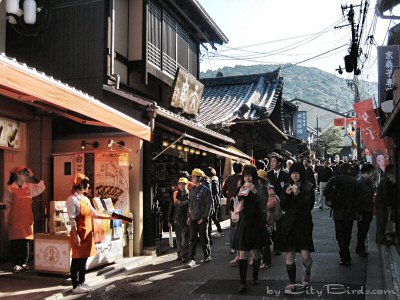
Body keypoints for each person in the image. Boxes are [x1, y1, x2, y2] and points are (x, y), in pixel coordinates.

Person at [66, 173, 115, 294]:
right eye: (86, 184)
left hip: (87, 233)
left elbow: (94, 213)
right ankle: (75, 285)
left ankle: (82, 282)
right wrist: (75, 234)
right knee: (76, 260)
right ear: (80, 185)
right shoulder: (72, 199)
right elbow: (72, 219)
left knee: (84, 260)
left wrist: (109, 216)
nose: (88, 186)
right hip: (79, 233)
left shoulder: (85, 199)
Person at [279, 162, 315, 294]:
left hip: (304, 225)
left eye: (297, 172)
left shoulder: (309, 187)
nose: (294, 175)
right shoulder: (287, 187)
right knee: (290, 254)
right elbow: (283, 206)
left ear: (302, 174)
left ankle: (307, 272)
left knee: (306, 257)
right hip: (289, 225)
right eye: (292, 172)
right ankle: (292, 283)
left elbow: (309, 206)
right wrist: (287, 195)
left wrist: (298, 194)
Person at [3, 166, 45, 272]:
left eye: (27, 174)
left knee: (26, 242)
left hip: (27, 218)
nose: (25, 176)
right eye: (23, 173)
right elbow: (6, 203)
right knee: (16, 242)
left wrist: (33, 176)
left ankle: (24, 263)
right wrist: (8, 218)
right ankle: (16, 264)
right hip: (15, 218)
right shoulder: (10, 188)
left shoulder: (29, 187)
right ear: (17, 174)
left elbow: (41, 187)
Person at [233, 165, 264, 294]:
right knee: (243, 254)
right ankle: (242, 282)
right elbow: (235, 203)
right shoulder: (241, 187)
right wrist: (238, 195)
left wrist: (255, 191)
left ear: (254, 176)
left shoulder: (259, 187)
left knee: (256, 253)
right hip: (244, 222)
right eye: (245, 175)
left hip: (256, 223)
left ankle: (255, 276)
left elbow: (263, 203)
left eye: (250, 175)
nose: (247, 177)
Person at [324, 163, 360, 266]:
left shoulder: (334, 179)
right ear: (348, 170)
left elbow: (326, 192)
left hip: (338, 211)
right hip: (350, 211)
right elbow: (359, 197)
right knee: (347, 234)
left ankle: (345, 256)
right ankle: (346, 254)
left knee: (340, 235)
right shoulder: (354, 181)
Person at [187, 169, 213, 268]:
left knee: (203, 237)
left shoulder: (206, 190)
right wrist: (188, 216)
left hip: (202, 218)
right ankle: (191, 258)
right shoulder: (191, 190)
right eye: (192, 176)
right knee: (192, 238)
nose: (192, 178)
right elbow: (190, 205)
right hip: (193, 217)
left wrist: (204, 217)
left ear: (199, 178)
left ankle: (207, 255)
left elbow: (209, 205)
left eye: (194, 177)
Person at [258, 169, 281, 269]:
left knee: (266, 235)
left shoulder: (267, 188)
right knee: (268, 233)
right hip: (263, 215)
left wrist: (263, 207)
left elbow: (271, 202)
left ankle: (267, 260)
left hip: (267, 215)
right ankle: (275, 248)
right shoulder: (260, 187)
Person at [267, 153, 289, 256]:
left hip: (281, 203)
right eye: (271, 162)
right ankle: (275, 242)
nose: (272, 163)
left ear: (279, 163)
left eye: (274, 161)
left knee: (279, 225)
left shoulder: (285, 175)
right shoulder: (268, 174)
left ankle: (277, 247)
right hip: (270, 203)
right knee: (270, 224)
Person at [222, 161, 243, 257]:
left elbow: (223, 191)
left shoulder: (229, 179)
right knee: (242, 226)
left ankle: (232, 247)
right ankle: (241, 246)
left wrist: (229, 195)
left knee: (233, 227)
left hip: (232, 205)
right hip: (242, 205)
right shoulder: (244, 178)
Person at [168, 177, 190, 263]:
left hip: (186, 220)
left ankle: (185, 255)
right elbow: (171, 208)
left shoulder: (190, 195)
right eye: (180, 183)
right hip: (176, 220)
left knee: (184, 239)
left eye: (183, 184)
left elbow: (191, 208)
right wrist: (169, 220)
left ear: (187, 185)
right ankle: (180, 255)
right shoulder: (175, 194)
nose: (182, 185)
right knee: (178, 239)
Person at [356, 163, 375, 257]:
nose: (373, 175)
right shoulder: (359, 182)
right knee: (362, 231)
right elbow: (357, 199)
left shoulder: (368, 182)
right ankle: (360, 249)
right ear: (367, 172)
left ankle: (360, 248)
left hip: (368, 209)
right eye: (372, 172)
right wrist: (358, 213)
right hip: (363, 211)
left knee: (364, 230)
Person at [375, 164, 396, 245]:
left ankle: (380, 239)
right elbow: (386, 194)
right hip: (382, 206)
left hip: (381, 205)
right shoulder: (386, 181)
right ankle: (381, 240)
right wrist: (389, 205)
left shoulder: (385, 180)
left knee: (382, 222)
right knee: (382, 222)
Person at [204, 167, 223, 241]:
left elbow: (215, 191)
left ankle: (219, 231)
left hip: (214, 201)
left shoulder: (213, 180)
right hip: (216, 201)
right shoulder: (215, 179)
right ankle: (218, 231)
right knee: (213, 217)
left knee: (213, 217)